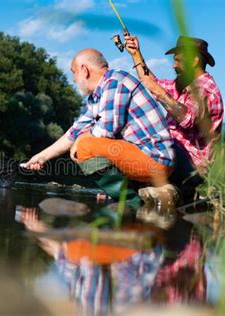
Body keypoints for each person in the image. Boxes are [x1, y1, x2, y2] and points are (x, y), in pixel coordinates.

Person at [22, 48, 176, 204]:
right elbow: (74, 132)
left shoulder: (115, 81)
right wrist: (41, 157)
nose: (74, 79)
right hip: (143, 157)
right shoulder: (98, 96)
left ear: (84, 70)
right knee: (83, 143)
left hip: (155, 159)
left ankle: (131, 202)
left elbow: (105, 130)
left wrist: (81, 140)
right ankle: (131, 195)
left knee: (85, 146)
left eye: (73, 72)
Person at [125, 35, 224, 193]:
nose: (174, 65)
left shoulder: (205, 88)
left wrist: (157, 90)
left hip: (191, 166)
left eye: (178, 60)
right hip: (175, 155)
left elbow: (187, 118)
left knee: (136, 146)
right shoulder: (185, 84)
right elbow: (150, 82)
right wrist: (136, 53)